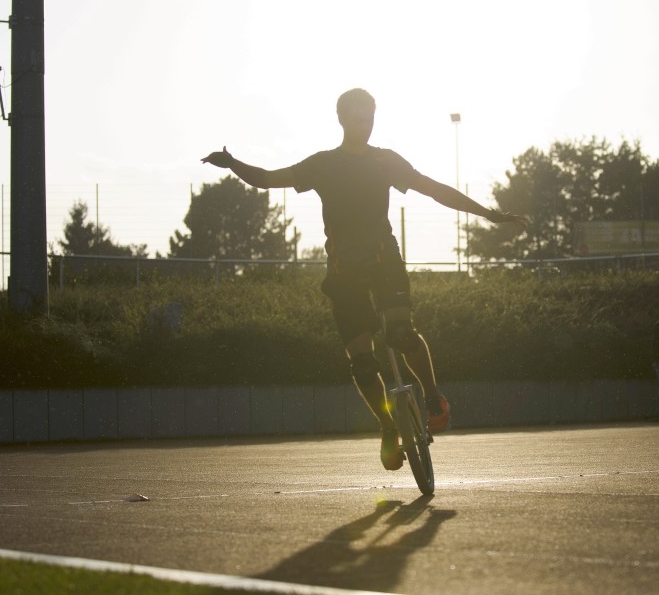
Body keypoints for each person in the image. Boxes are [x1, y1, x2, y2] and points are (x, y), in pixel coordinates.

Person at [202, 88, 525, 471]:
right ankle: (389, 427)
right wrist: (233, 163)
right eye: (357, 118)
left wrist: (488, 213)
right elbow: (269, 179)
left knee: (401, 333)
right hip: (343, 272)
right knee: (362, 363)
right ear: (341, 119)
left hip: (383, 260)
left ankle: (433, 397)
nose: (365, 125)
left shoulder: (384, 161)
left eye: (370, 117)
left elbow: (435, 190)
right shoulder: (323, 164)